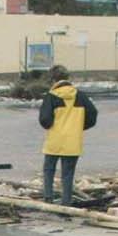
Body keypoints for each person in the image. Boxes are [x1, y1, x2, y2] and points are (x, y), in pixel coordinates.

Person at [36, 65, 98, 205]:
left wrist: (52, 125)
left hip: (55, 140)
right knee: (68, 173)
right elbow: (93, 115)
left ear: (53, 79)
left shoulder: (51, 96)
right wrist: (79, 127)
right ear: (67, 77)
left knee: (49, 169)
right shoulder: (80, 96)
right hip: (73, 141)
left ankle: (48, 198)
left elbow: (45, 120)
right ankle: (66, 201)